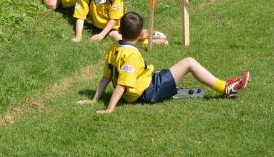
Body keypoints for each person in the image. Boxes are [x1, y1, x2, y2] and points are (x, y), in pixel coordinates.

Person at [77, 12, 251, 113]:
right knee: (188, 62)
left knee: (163, 71)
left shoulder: (113, 49)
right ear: (141, 35)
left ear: (120, 31)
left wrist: (94, 100)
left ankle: (222, 87)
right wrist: (109, 109)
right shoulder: (131, 56)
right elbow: (122, 84)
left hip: (144, 85)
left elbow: (106, 78)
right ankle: (226, 88)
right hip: (147, 92)